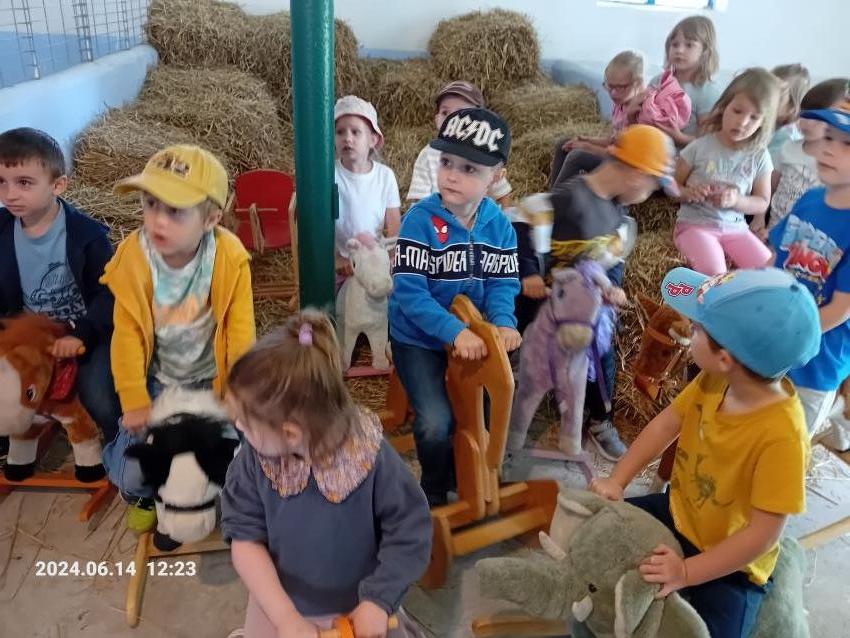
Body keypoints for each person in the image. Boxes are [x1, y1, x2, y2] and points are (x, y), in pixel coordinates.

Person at [592, 266, 820, 638]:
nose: (688, 332)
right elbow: (666, 424)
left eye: (696, 328)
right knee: (603, 532)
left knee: (712, 632)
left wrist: (687, 572)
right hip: (678, 510)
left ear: (725, 358)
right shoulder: (715, 379)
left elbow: (762, 536)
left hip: (733, 561)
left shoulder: (784, 437)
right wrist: (617, 480)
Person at [221, 311, 431, 638]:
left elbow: (409, 529)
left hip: (360, 609)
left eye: (246, 424)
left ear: (290, 433)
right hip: (281, 604)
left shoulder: (369, 454)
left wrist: (379, 600)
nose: (238, 428)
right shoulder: (253, 462)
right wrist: (285, 617)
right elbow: (245, 541)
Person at [99, 144, 255, 532]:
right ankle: (146, 493)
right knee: (130, 470)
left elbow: (239, 330)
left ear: (211, 218)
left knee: (240, 449)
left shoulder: (228, 256)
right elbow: (127, 334)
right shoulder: (133, 258)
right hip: (158, 380)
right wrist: (134, 399)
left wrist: (237, 389)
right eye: (151, 204)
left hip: (211, 378)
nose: (158, 220)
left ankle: (219, 498)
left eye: (175, 210)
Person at [515, 125, 677, 460]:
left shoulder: (618, 215)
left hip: (579, 306)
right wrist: (529, 272)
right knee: (521, 354)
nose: (649, 195)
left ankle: (600, 419)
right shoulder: (569, 199)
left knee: (600, 350)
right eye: (652, 187)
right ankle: (509, 419)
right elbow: (523, 224)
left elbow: (610, 260)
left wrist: (612, 287)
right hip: (540, 301)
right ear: (636, 175)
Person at [389, 107, 521, 506]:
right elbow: (411, 295)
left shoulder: (500, 227)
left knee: (486, 406)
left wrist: (504, 322)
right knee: (434, 422)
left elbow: (501, 283)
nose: (450, 175)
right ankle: (433, 488)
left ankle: (480, 472)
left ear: (495, 176)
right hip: (419, 338)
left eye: (468, 169)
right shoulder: (419, 221)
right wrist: (454, 332)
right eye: (446, 162)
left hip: (472, 335)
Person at [0, 127, 119, 467]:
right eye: (2, 183)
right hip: (28, 334)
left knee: (99, 395)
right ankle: (12, 434)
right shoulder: (3, 229)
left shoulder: (87, 235)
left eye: (24, 182)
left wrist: (82, 333)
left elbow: (108, 294)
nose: (10, 194)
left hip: (83, 333)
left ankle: (120, 445)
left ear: (58, 185)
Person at [769, 100, 850, 453]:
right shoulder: (811, 199)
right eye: (829, 136)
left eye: (847, 143)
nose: (829, 149)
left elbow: (841, 310)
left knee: (787, 448)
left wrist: (789, 337)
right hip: (773, 340)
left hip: (816, 361)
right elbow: (775, 257)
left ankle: (836, 412)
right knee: (754, 431)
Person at [673, 68, 781, 275]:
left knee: (770, 272)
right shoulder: (699, 147)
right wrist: (688, 193)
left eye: (754, 117)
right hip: (695, 226)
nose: (742, 122)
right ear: (723, 107)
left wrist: (737, 201)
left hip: (737, 229)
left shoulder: (760, 155)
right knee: (715, 274)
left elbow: (762, 202)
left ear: (763, 123)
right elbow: (671, 186)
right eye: (737, 111)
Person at [407, 80, 514, 208]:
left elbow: (502, 193)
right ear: (437, 119)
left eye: (463, 113)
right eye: (445, 112)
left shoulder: (486, 154)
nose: (452, 119)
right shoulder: (428, 154)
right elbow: (419, 201)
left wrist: (505, 215)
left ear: (481, 120)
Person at [550, 50, 646, 186]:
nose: (613, 94)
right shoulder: (621, 103)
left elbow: (626, 156)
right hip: (616, 154)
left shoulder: (643, 110)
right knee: (563, 144)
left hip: (629, 167)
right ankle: (552, 193)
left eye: (620, 87)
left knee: (576, 156)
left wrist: (587, 147)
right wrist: (587, 139)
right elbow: (613, 140)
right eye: (609, 86)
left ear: (638, 83)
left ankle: (556, 198)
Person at [333, 95, 400, 283]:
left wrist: (390, 258)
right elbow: (321, 225)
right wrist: (336, 258)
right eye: (340, 132)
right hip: (341, 262)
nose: (347, 138)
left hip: (374, 258)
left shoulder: (385, 176)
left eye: (356, 132)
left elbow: (394, 224)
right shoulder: (329, 175)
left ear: (373, 139)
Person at [769, 78, 849, 231]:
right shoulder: (788, 147)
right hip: (773, 229)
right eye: (805, 114)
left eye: (819, 118)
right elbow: (771, 187)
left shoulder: (835, 166)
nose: (806, 123)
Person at [652, 15, 723, 147]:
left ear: (705, 52)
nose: (679, 50)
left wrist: (680, 137)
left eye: (689, 45)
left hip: (684, 156)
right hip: (651, 144)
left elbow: (708, 140)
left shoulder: (708, 92)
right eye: (675, 44)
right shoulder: (658, 81)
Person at [768, 64, 811, 165]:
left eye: (774, 97)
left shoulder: (784, 137)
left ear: (792, 107)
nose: (764, 99)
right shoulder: (773, 125)